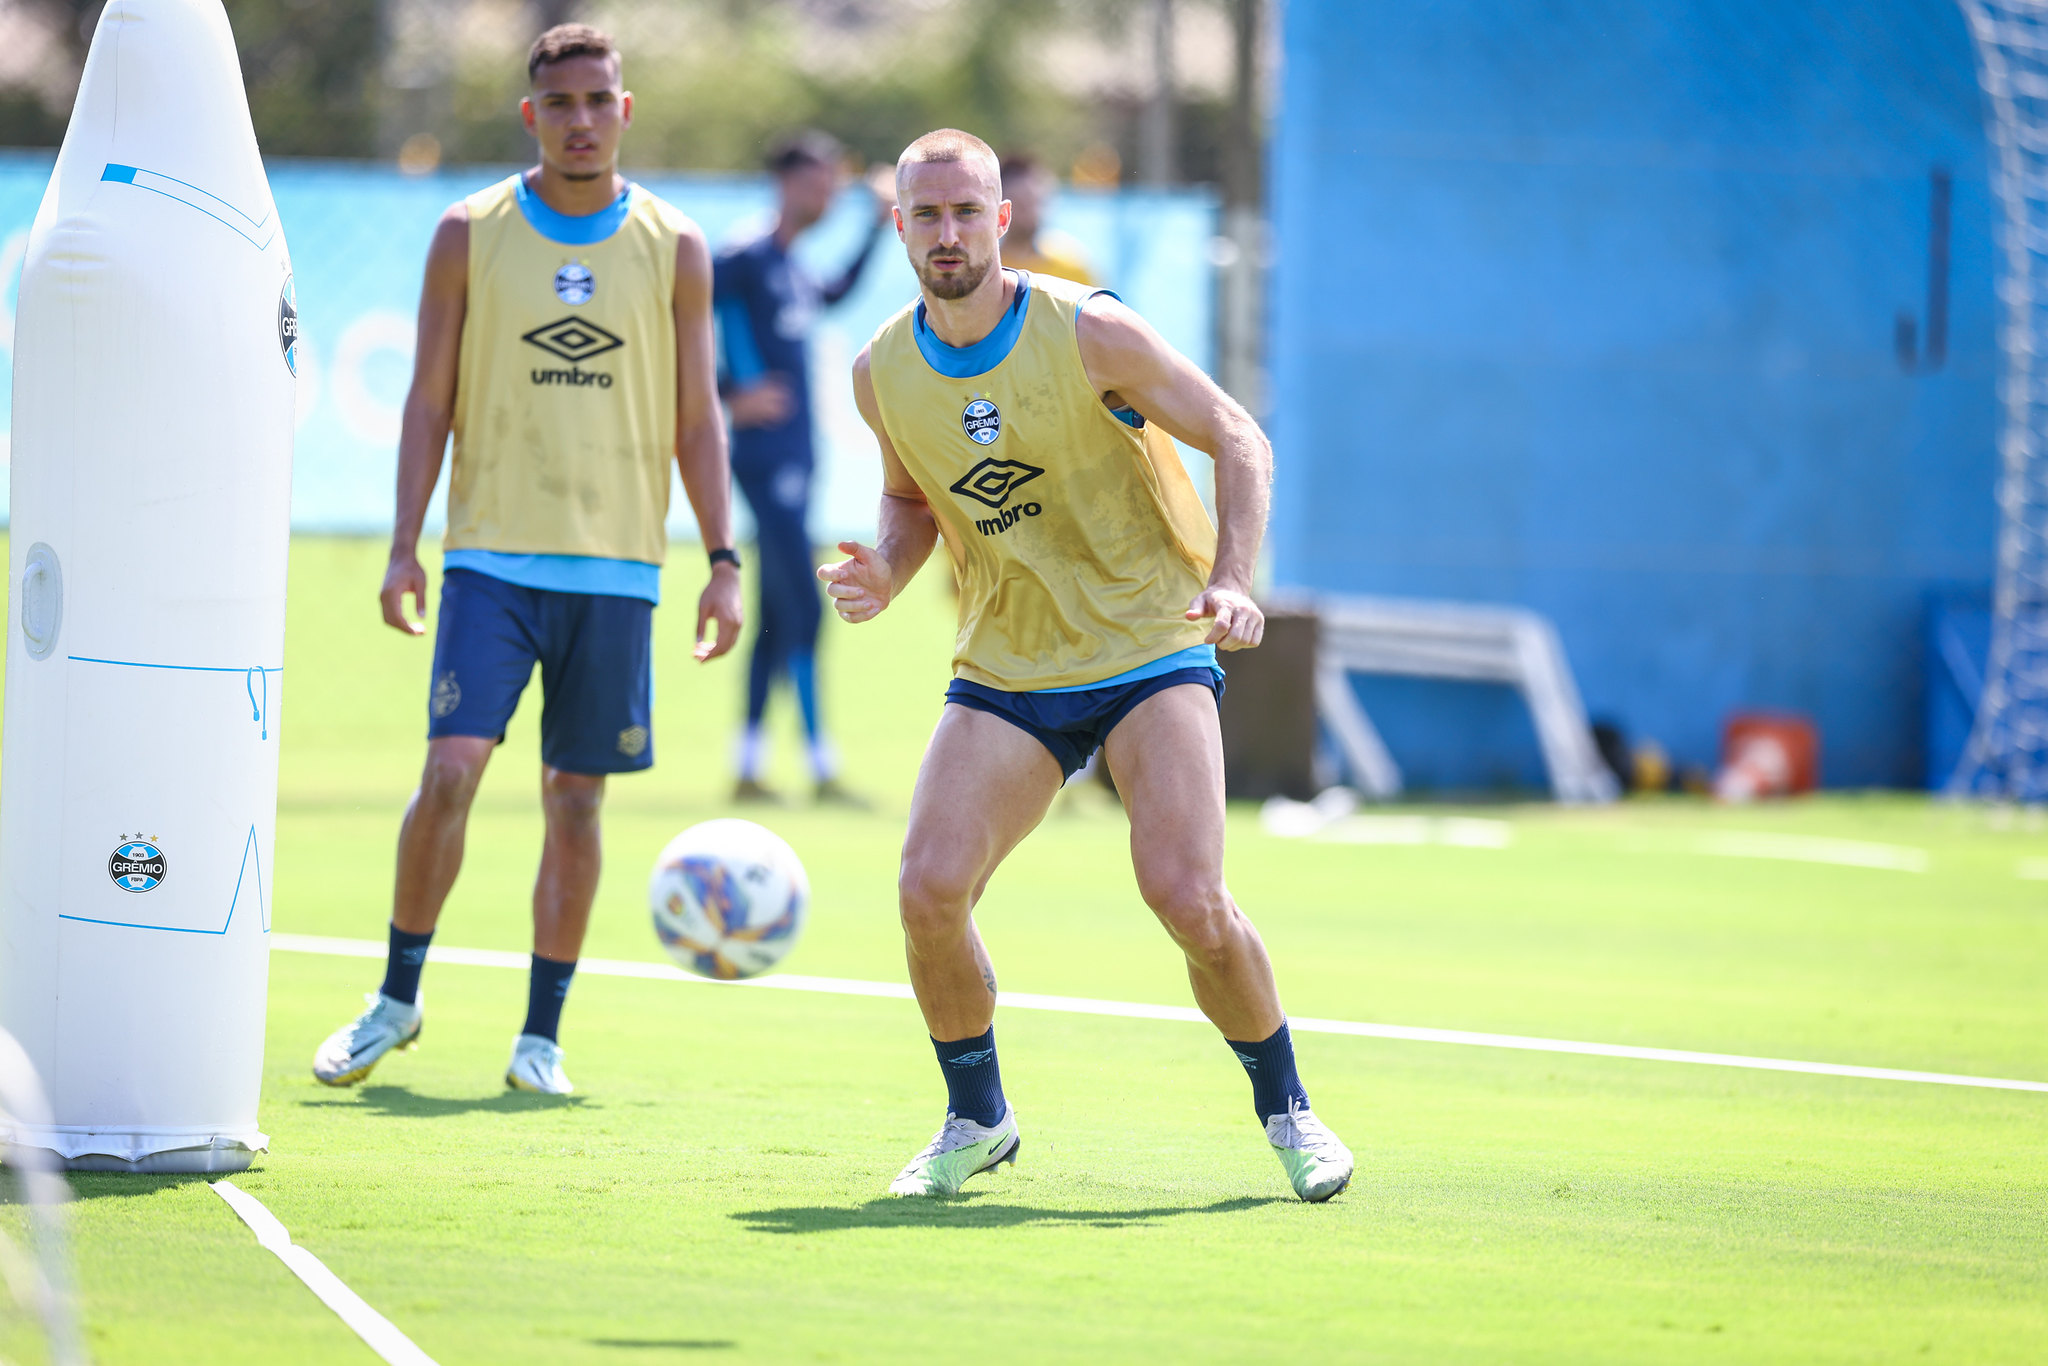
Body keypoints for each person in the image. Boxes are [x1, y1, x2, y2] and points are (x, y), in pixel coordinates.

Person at [819, 129, 1354, 1201]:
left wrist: (1234, 577)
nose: (947, 233)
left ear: (1001, 217)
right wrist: (884, 563)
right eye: (925, 216)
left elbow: (1237, 435)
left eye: (966, 211)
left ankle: (1288, 1108)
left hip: (1147, 645)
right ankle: (976, 1117)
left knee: (1185, 896)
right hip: (1009, 664)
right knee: (927, 889)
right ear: (896, 227)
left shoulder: (1087, 330)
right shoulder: (880, 370)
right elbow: (911, 497)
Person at [312, 24, 742, 1097]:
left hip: (616, 573)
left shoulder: (674, 245)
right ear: (530, 117)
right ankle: (397, 997)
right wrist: (405, 544)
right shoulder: (469, 233)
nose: (582, 120)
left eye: (600, 100)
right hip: (490, 563)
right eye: (561, 104)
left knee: (576, 802)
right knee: (450, 772)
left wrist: (723, 560)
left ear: (626, 110)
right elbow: (426, 401)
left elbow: (698, 418)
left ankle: (539, 1036)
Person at [715, 131, 890, 805]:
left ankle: (750, 762)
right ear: (785, 181)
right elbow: (684, 320)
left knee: (777, 609)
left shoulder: (788, 263)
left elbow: (836, 292)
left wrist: (875, 228)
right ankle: (820, 766)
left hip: (795, 455)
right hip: (765, 458)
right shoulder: (743, 255)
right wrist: (731, 392)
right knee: (806, 610)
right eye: (817, 183)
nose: (826, 195)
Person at [995, 151, 1095, 285]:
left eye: (1034, 202)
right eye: (1021, 203)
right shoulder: (985, 270)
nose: (1030, 213)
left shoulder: (1072, 268)